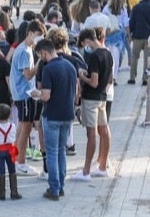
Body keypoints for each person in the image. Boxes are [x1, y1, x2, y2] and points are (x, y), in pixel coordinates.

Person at [31, 38, 78, 201]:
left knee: (51, 152)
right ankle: (61, 186)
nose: (40, 58)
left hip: (52, 115)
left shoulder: (49, 69)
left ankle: (54, 188)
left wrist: (36, 93)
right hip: (67, 114)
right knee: (61, 151)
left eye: (40, 55)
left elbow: (46, 95)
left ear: (44, 52)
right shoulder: (70, 66)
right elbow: (76, 90)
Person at [74, 29, 113, 181]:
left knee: (91, 134)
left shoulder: (94, 56)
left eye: (84, 44)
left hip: (91, 98)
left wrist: (83, 77)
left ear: (88, 41)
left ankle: (86, 171)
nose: (85, 47)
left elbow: (94, 82)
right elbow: (108, 79)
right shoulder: (107, 53)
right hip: (103, 97)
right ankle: (103, 166)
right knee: (104, 129)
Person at [9, 20, 44, 176]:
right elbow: (28, 74)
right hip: (24, 94)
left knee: (22, 128)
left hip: (24, 93)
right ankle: (21, 162)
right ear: (30, 33)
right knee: (26, 127)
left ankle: (14, 158)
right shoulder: (24, 51)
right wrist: (40, 62)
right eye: (37, 36)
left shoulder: (27, 49)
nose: (38, 40)